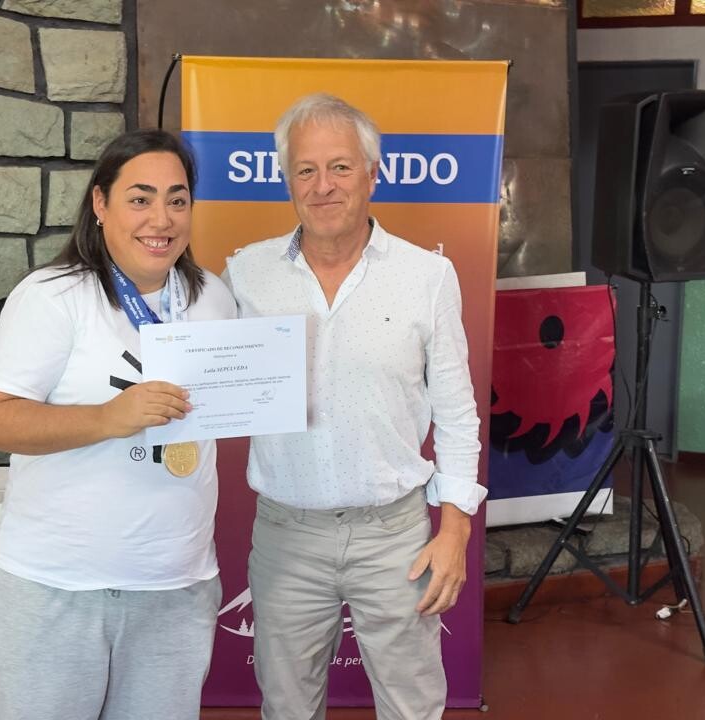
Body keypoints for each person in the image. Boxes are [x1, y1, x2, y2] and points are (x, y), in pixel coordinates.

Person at [224, 93, 488, 719]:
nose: (323, 186)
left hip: (394, 537)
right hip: (286, 536)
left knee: (412, 707)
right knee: (286, 707)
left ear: (373, 174)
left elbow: (457, 414)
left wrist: (455, 530)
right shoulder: (245, 274)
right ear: (287, 180)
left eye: (340, 167)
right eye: (306, 170)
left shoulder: (427, 277)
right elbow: (213, 388)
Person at [0, 129, 237, 720]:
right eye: (140, 199)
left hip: (176, 586)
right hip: (56, 587)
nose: (161, 219)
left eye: (177, 199)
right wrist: (108, 418)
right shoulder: (52, 296)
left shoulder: (213, 298)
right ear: (100, 203)